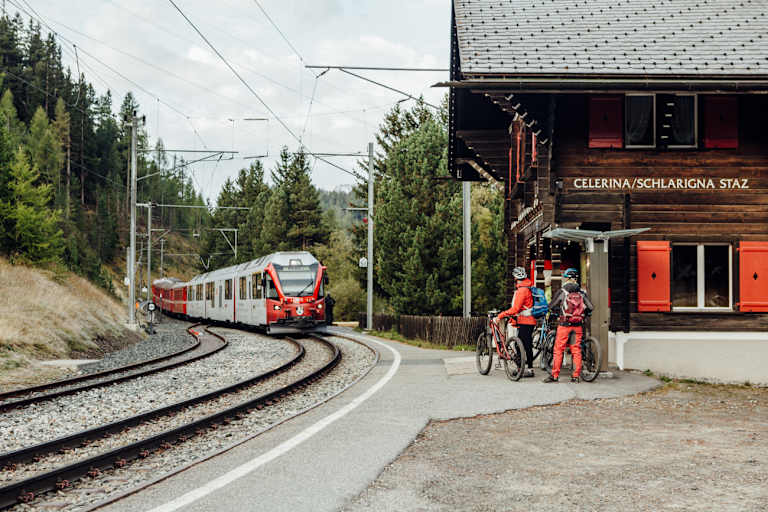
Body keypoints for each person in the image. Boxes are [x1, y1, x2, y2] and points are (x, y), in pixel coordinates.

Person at [543, 267, 593, 383]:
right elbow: (590, 307)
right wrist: (583, 314)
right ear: (576, 279)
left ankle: (555, 375)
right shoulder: (581, 293)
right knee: (576, 350)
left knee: (559, 349)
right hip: (577, 326)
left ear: (567, 278)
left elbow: (551, 306)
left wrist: (555, 312)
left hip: (564, 325)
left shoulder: (563, 291)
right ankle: (575, 376)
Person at [494, 266, 536, 377]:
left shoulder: (522, 290)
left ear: (516, 278)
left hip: (525, 321)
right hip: (528, 320)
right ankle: (527, 368)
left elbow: (515, 309)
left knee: (521, 345)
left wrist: (501, 315)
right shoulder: (528, 287)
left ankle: (524, 369)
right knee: (526, 345)